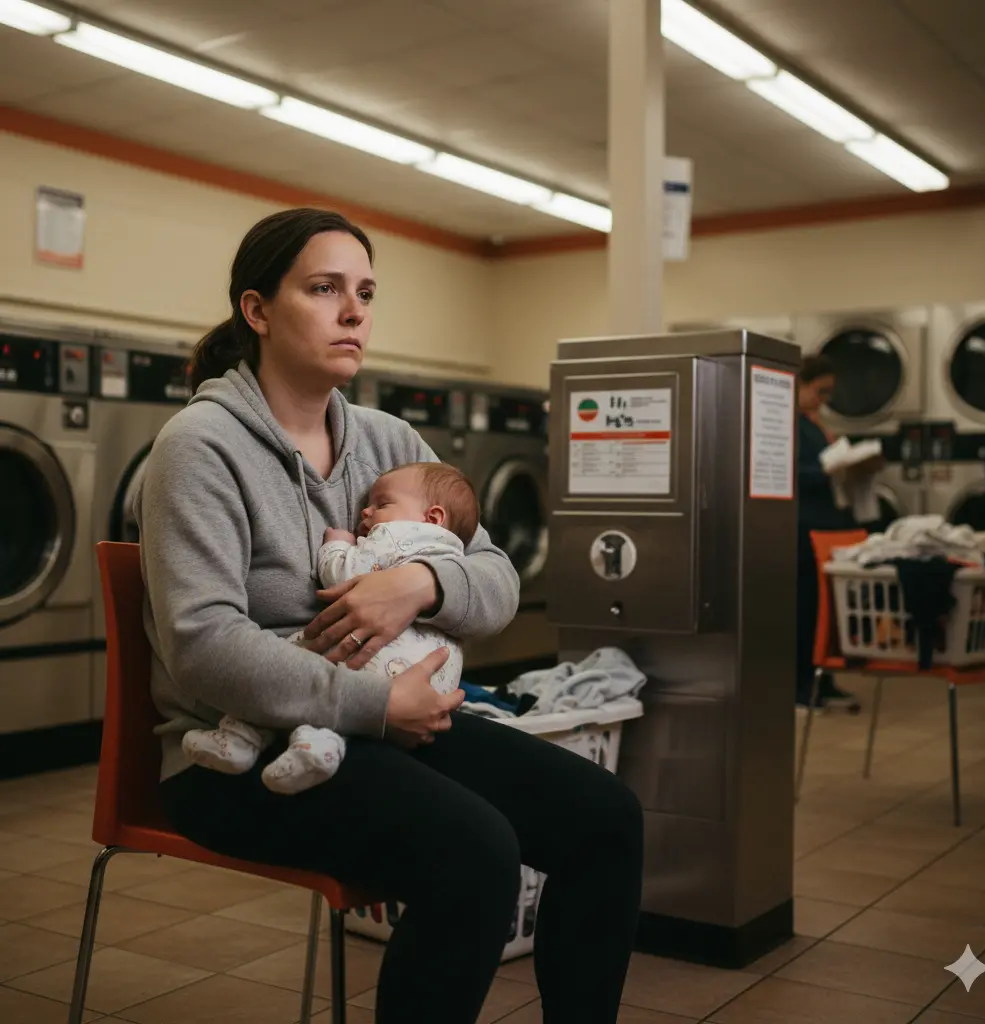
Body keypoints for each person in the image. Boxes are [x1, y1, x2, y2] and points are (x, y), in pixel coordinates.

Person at [137, 207, 643, 1024]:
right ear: (256, 310)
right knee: (475, 849)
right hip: (235, 753)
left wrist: (418, 585)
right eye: (325, 288)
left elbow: (498, 577)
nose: (354, 311)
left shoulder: (388, 439)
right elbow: (202, 645)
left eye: (365, 292)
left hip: (379, 727)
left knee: (605, 818)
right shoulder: (199, 446)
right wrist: (377, 704)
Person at [181, 461, 476, 794]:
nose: (366, 512)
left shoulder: (400, 535)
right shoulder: (460, 557)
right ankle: (318, 749)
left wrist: (336, 546)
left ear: (433, 518)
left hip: (376, 658)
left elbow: (347, 575)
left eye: (381, 504)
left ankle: (238, 737)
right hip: (431, 685)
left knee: (293, 654)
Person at [796, 355, 867, 712]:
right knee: (807, 608)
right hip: (804, 527)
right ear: (799, 384)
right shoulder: (786, 423)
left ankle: (822, 679)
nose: (822, 399)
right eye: (819, 391)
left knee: (825, 611)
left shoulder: (814, 424)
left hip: (826, 524)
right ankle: (803, 684)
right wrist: (828, 469)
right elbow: (792, 472)